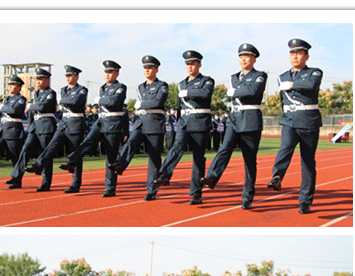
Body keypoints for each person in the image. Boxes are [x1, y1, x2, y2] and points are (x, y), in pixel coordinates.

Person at [201, 44, 267, 209]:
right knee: (224, 148)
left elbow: (253, 91)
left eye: (247, 56)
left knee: (249, 160)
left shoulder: (260, 76)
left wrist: (236, 91)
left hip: (250, 120)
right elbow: (245, 90)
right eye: (241, 57)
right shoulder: (233, 77)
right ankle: (212, 177)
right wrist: (241, 90)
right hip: (234, 119)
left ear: (254, 59)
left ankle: (247, 196)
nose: (243, 59)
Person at [267, 39, 323, 214]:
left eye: (299, 53)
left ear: (306, 56)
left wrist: (292, 85)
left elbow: (311, 85)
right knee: (285, 147)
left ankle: (305, 200)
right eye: (292, 53)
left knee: (307, 162)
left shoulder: (314, 72)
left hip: (308, 121)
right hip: (289, 120)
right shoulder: (281, 76)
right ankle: (277, 176)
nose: (295, 56)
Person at [59, 60, 127, 197]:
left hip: (113, 123)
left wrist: (99, 100)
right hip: (100, 121)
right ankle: (72, 162)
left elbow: (114, 101)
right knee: (87, 142)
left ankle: (110, 187)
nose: (107, 74)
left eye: (110, 72)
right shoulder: (102, 88)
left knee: (111, 157)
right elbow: (108, 101)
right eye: (106, 72)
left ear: (117, 73)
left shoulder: (121, 87)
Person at [154, 50, 214, 205]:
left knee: (198, 158)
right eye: (188, 64)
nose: (190, 67)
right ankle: (164, 174)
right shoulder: (182, 83)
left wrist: (188, 92)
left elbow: (205, 93)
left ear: (199, 65)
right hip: (184, 122)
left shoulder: (207, 81)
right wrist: (179, 121)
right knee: (177, 146)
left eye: (193, 64)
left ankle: (196, 193)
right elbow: (179, 106)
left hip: (200, 122)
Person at [109, 55, 168, 201]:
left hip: (154, 122)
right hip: (141, 121)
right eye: (145, 68)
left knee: (154, 158)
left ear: (156, 69)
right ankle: (120, 165)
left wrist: (141, 104)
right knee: (131, 141)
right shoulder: (141, 86)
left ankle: (151, 190)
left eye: (150, 67)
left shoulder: (162, 85)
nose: (147, 70)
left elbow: (158, 102)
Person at [27, 65, 88, 194]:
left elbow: (76, 101)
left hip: (75, 123)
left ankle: (75, 183)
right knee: (51, 146)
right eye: (66, 75)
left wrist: (64, 100)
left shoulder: (82, 90)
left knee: (75, 154)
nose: (68, 78)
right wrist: (67, 100)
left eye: (70, 75)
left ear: (76, 76)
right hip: (64, 123)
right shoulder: (63, 90)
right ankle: (38, 165)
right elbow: (68, 101)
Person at [6, 68, 57, 190]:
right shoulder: (36, 93)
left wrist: (31, 106)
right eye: (37, 79)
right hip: (35, 126)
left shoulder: (50, 93)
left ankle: (46, 182)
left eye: (40, 79)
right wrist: (30, 126)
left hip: (46, 125)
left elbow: (43, 107)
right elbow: (32, 111)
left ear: (47, 80)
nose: (38, 81)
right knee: (25, 150)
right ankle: (17, 176)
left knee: (45, 154)